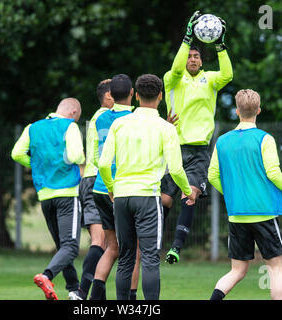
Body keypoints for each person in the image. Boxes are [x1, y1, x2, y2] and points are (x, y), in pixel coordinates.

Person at [98, 74, 195, 300]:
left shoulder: (119, 123)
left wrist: (111, 187)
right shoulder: (166, 128)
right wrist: (188, 191)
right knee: (150, 258)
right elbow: (176, 169)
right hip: (148, 197)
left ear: (137, 95)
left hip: (121, 197)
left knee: (126, 257)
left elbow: (103, 163)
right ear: (160, 96)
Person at [207, 89, 282, 300]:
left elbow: (212, 176)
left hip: (237, 214)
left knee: (237, 271)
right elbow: (273, 172)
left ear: (237, 111)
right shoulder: (265, 139)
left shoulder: (223, 141)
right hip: (264, 212)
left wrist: (233, 193)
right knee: (274, 269)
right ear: (259, 110)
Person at [162, 10, 233, 264]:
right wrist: (188, 37)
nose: (192, 59)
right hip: (175, 148)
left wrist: (220, 45)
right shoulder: (173, 79)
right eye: (189, 56)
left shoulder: (210, 80)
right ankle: (151, 242)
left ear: (202, 61)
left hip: (200, 151)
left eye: (196, 56)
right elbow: (176, 67)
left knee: (190, 196)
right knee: (165, 200)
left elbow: (228, 75)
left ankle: (176, 249)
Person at [11, 98, 85, 300]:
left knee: (63, 246)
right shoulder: (70, 127)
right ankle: (46, 275)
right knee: (70, 246)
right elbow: (77, 155)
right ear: (73, 112)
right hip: (67, 193)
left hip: (45, 196)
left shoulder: (32, 128)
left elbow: (16, 153)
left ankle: (73, 290)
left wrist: (37, 166)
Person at [88, 74, 140, 300]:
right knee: (134, 251)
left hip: (100, 186)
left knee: (112, 248)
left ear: (110, 95)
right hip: (122, 188)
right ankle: (129, 300)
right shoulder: (134, 119)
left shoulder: (100, 119)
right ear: (132, 94)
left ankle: (94, 298)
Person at [69, 80, 113, 300]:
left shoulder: (100, 116)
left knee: (104, 244)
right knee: (100, 242)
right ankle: (81, 291)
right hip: (97, 180)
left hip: (92, 179)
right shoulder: (104, 118)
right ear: (107, 96)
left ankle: (95, 298)